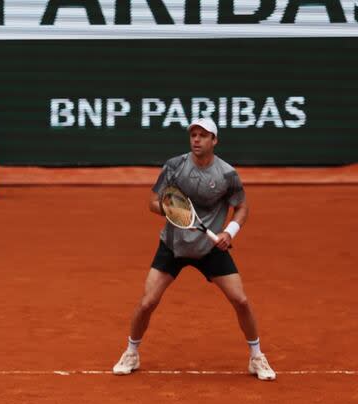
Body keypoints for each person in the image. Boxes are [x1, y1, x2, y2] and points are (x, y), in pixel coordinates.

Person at [112, 118, 276, 381]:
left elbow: (242, 207)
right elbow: (153, 202)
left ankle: (257, 357)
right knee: (147, 302)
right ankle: (131, 352)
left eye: (203, 135)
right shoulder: (175, 166)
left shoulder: (226, 174)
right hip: (173, 246)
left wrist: (228, 232)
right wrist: (174, 212)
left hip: (210, 249)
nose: (196, 139)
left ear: (214, 140)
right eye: (193, 135)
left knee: (241, 301)